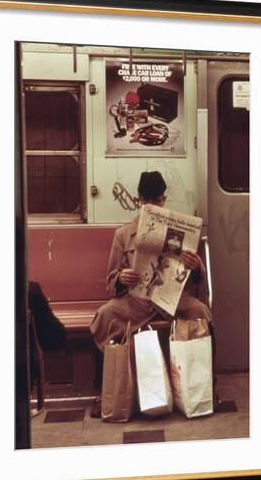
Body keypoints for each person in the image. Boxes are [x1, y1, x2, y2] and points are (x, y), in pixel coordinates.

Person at [89, 171, 213, 417]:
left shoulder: (182, 228)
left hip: (174, 299)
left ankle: (208, 386)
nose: (153, 206)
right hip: (137, 301)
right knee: (104, 316)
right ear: (139, 200)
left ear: (163, 199)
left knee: (200, 312)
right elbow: (111, 279)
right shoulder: (124, 234)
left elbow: (197, 279)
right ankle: (104, 391)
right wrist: (122, 277)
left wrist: (195, 265)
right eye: (147, 201)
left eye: (157, 201)